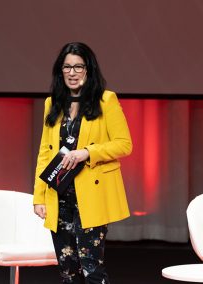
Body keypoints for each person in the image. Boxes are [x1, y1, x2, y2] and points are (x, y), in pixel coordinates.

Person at [33, 42, 132, 284]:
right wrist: (39, 196)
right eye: (67, 67)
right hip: (60, 195)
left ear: (89, 70)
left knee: (92, 269)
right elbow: (45, 154)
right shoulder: (52, 103)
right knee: (67, 270)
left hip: (91, 196)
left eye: (79, 66)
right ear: (60, 71)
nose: (73, 72)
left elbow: (124, 144)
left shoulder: (106, 100)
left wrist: (87, 152)